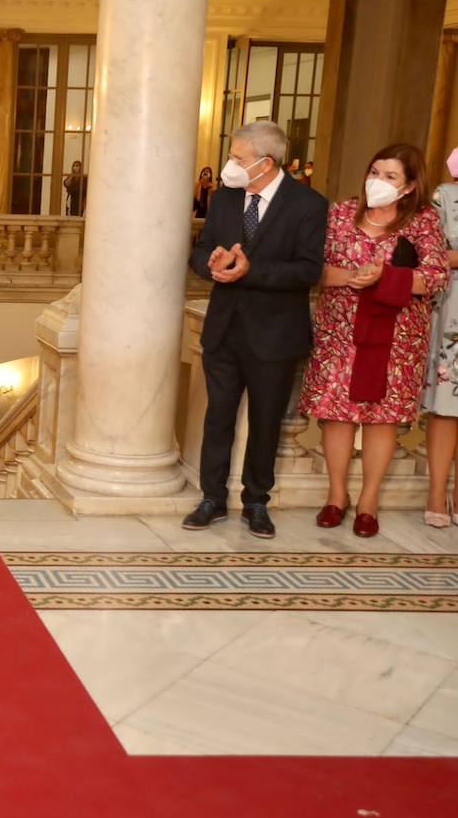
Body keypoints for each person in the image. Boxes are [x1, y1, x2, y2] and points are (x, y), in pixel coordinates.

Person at [184, 121, 328, 539]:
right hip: (224, 330)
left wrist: (251, 270)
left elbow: (308, 269)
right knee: (218, 418)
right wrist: (209, 263)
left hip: (275, 335)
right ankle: (211, 498)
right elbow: (198, 248)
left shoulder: (308, 204)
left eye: (238, 158)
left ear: (266, 163)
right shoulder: (226, 199)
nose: (230, 164)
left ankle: (256, 502)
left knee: (266, 422)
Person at [300, 142, 446, 537]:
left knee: (381, 418)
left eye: (390, 176)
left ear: (410, 186)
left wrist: (386, 277)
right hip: (339, 331)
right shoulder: (341, 213)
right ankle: (335, 497)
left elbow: (434, 276)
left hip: (396, 338)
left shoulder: (423, 221)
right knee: (336, 413)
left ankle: (368, 501)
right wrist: (350, 277)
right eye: (374, 172)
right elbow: (312, 266)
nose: (377, 181)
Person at [422, 146, 458, 527]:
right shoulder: (443, 197)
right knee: (447, 403)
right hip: (453, 312)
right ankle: (435, 491)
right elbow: (432, 255)